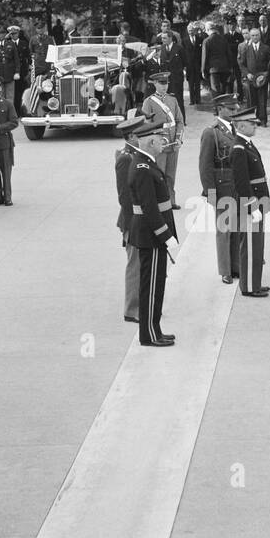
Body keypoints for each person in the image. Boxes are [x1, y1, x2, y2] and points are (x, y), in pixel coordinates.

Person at [124, 117, 177, 347]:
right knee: (151, 287)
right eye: (159, 139)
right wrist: (165, 235)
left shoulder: (146, 162)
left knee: (157, 286)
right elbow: (149, 208)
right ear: (149, 142)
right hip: (151, 235)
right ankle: (149, 334)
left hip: (152, 234)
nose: (162, 143)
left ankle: (155, 329)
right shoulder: (143, 167)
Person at [230, 107, 270, 297]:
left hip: (258, 200)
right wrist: (252, 207)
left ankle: (255, 283)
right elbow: (241, 182)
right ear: (242, 125)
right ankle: (248, 287)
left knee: (257, 246)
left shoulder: (247, 144)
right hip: (251, 203)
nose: (255, 126)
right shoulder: (239, 148)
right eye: (252, 123)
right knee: (250, 247)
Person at [199, 94, 241, 283]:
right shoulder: (211, 132)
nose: (235, 111)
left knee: (237, 226)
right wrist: (210, 191)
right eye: (231, 109)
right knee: (224, 229)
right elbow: (205, 165)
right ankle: (225, 270)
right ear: (220, 109)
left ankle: (236, 266)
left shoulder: (237, 128)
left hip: (237, 184)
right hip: (222, 185)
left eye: (235, 108)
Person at [139, 69, 185, 207]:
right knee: (159, 175)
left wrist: (178, 139)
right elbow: (146, 125)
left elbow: (179, 121)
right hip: (159, 144)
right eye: (161, 83)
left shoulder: (173, 99)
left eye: (166, 83)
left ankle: (171, 201)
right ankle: (160, 202)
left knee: (171, 175)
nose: (164, 86)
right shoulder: (149, 101)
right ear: (155, 84)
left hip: (173, 143)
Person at [114, 120, 141, 325]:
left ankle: (141, 305)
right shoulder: (125, 159)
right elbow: (124, 196)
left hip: (139, 219)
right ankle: (131, 310)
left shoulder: (136, 156)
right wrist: (133, 224)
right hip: (132, 220)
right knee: (135, 264)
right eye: (140, 134)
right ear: (131, 137)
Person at [0, 75, 18, 206]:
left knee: (6, 171)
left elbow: (14, 122)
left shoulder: (7, 104)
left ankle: (7, 197)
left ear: (0, 88)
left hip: (4, 141)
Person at [237, 27, 270, 127]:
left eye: (256, 35)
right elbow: (242, 64)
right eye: (252, 35)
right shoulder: (246, 49)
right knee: (252, 100)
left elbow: (269, 63)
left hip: (262, 79)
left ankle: (263, 120)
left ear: (260, 35)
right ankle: (252, 120)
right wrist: (247, 73)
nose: (255, 37)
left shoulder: (266, 48)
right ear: (250, 36)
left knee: (262, 99)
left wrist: (265, 75)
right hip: (251, 79)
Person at [157, 22, 188, 106]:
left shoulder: (179, 48)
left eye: (164, 38)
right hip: (166, 80)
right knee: (167, 102)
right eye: (162, 38)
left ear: (170, 38)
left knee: (178, 101)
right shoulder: (162, 48)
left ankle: (181, 118)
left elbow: (185, 62)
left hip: (177, 79)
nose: (162, 40)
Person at [201, 21, 233, 100]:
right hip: (225, 68)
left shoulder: (206, 41)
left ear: (208, 29)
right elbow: (229, 54)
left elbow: (204, 57)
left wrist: (203, 71)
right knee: (223, 91)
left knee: (215, 91)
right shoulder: (223, 39)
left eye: (205, 30)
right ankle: (223, 109)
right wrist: (231, 67)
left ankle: (217, 110)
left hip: (213, 69)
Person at [185, 21, 207, 106]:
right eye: (189, 30)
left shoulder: (200, 39)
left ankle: (198, 99)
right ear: (187, 31)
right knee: (191, 83)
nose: (191, 31)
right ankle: (191, 100)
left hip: (197, 65)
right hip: (189, 66)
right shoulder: (185, 40)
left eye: (192, 30)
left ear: (194, 30)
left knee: (197, 83)